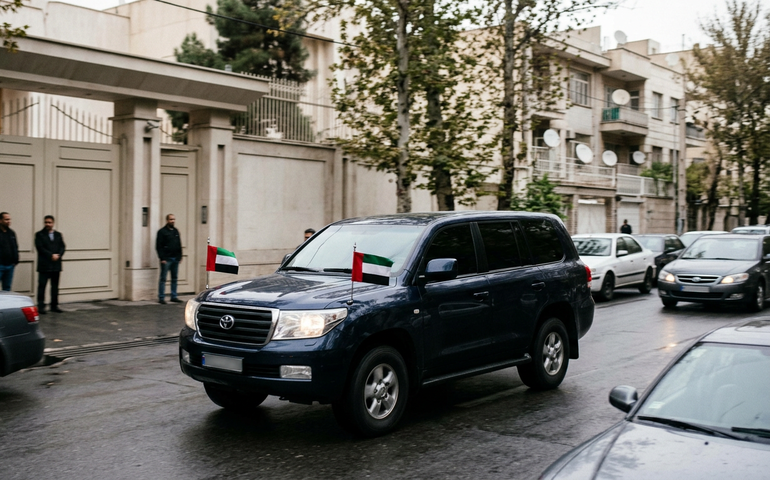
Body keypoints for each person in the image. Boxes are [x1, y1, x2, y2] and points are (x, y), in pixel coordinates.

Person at [35, 215, 65, 314]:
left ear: (53, 223)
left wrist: (58, 255)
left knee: (55, 286)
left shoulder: (58, 235)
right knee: (42, 286)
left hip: (56, 265)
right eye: (46, 222)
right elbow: (40, 248)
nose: (48, 224)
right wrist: (50, 255)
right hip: (44, 265)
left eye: (49, 222)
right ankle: (41, 306)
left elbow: (62, 246)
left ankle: (54, 305)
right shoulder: (39, 235)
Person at [156, 213, 182, 304]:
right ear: (167, 220)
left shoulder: (176, 231)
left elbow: (179, 244)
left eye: (174, 219)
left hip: (175, 258)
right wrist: (162, 258)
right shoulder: (162, 232)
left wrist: (180, 256)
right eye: (171, 219)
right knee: (163, 278)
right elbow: (159, 246)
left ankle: (174, 296)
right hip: (166, 259)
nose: (173, 221)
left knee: (174, 278)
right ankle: (161, 297)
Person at [0, 212, 19, 291]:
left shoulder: (11, 233)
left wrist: (16, 260)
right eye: (6, 219)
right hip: (0, 264)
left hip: (10, 265)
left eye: (9, 219)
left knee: (7, 288)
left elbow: (15, 246)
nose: (9, 221)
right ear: (0, 220)